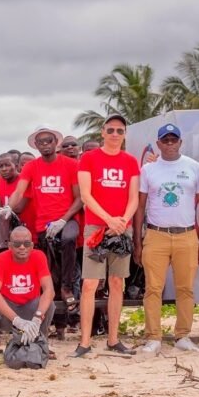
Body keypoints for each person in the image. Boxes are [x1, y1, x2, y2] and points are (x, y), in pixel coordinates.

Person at [133, 124, 199, 356]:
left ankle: (183, 336)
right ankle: (153, 338)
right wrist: (138, 241)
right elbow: (140, 207)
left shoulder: (193, 167)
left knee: (185, 289)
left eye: (173, 140)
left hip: (187, 235)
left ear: (180, 142)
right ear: (158, 143)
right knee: (153, 289)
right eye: (165, 140)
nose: (169, 144)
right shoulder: (148, 170)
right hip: (156, 235)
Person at [73, 114, 139, 357]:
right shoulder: (89, 158)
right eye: (110, 130)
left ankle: (113, 339)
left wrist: (122, 221)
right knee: (90, 283)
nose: (114, 135)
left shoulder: (130, 161)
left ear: (124, 135)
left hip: (122, 228)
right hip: (96, 228)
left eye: (119, 131)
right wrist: (108, 219)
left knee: (117, 282)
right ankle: (85, 342)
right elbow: (86, 196)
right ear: (102, 132)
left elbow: (134, 198)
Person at [7, 126, 82, 312]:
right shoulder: (32, 166)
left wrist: (63, 220)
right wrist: (8, 207)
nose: (45, 145)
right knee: (50, 268)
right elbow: (19, 190)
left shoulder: (71, 164)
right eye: (41, 142)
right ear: (36, 146)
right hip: (43, 223)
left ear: (56, 143)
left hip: (68, 218)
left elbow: (80, 198)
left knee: (68, 239)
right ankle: (54, 316)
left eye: (49, 141)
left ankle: (67, 288)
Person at [0, 226, 56, 358]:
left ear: (31, 245)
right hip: (8, 312)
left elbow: (49, 290)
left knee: (49, 304)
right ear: (9, 246)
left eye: (26, 244)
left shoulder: (39, 256)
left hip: (30, 310)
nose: (22, 247)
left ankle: (41, 342)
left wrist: (37, 317)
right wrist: (17, 320)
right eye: (17, 244)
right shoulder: (1, 258)